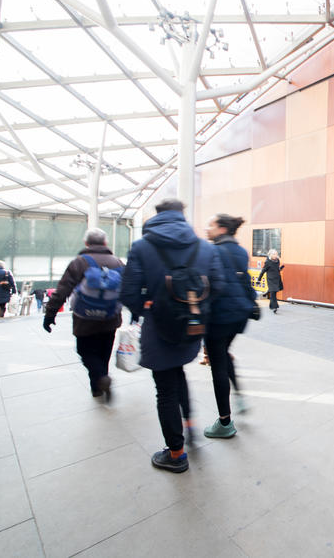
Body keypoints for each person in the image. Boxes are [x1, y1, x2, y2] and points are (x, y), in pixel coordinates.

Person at [121, 199, 225, 474]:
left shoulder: (142, 247)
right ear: (182, 216)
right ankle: (189, 425)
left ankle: (176, 454)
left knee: (165, 388)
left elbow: (129, 293)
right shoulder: (204, 247)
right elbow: (219, 285)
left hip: (159, 330)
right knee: (178, 372)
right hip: (192, 326)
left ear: (157, 216)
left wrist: (148, 305)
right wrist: (195, 305)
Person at [43, 228, 125, 402]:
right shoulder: (117, 262)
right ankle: (101, 382)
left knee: (85, 351)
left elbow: (62, 290)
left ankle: (98, 384)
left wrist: (50, 314)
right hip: (110, 318)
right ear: (105, 243)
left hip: (84, 319)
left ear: (86, 243)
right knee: (104, 352)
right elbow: (127, 289)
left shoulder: (79, 262)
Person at [203, 213, 258, 438]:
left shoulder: (213, 251)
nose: (208, 228)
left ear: (222, 229)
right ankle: (239, 395)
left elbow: (212, 284)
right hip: (239, 314)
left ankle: (225, 423)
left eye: (211, 225)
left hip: (219, 316)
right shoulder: (240, 251)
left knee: (217, 365)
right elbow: (244, 280)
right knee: (223, 354)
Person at [257, 249, 284, 314]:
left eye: (276, 254)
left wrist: (280, 268)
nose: (275, 255)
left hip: (277, 278)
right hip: (271, 279)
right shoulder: (268, 262)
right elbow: (263, 271)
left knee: (274, 292)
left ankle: (271, 305)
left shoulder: (277, 261)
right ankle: (275, 307)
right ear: (270, 255)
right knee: (273, 293)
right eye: (274, 254)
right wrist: (259, 279)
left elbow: (277, 269)